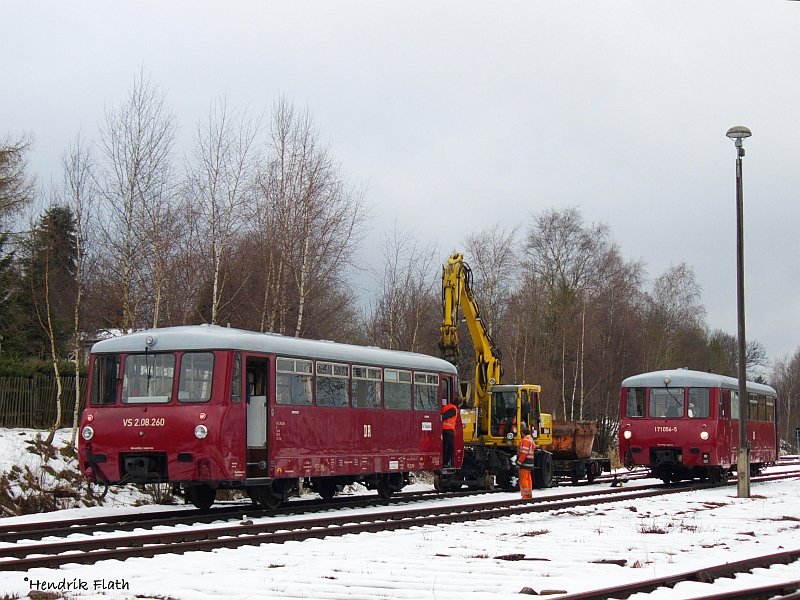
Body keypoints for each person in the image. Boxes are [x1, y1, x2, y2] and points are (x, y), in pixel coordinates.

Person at [516, 424, 536, 499]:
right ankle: (529, 494)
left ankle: (525, 496)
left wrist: (519, 462)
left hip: (525, 463)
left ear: (523, 433)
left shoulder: (525, 440)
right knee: (528, 479)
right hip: (530, 462)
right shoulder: (530, 440)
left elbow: (524, 453)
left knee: (523, 479)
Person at [441, 398, 459, 467]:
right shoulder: (453, 409)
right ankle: (444, 463)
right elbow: (444, 416)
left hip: (444, 429)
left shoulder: (447, 406)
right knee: (449, 448)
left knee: (446, 447)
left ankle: (444, 462)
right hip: (448, 430)